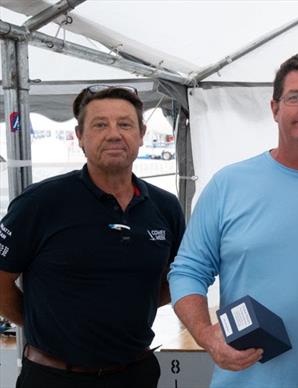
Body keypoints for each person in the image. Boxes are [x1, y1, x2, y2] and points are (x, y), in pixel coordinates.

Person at [168, 54, 298, 387]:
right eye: (295, 97)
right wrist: (206, 335)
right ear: (274, 108)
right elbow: (187, 271)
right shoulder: (229, 184)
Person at [0, 85, 185, 388]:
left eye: (124, 124)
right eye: (100, 124)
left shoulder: (165, 208)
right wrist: (41, 324)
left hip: (135, 374)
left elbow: (176, 279)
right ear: (80, 136)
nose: (114, 134)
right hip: (54, 377)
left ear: (141, 133)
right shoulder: (40, 202)